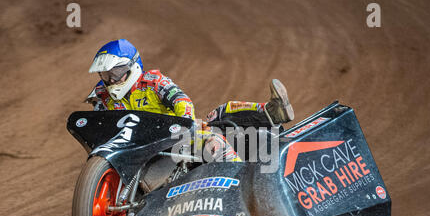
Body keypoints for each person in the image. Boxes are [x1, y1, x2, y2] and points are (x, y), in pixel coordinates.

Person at [86, 39, 294, 161]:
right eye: (105, 75)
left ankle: (270, 113)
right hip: (133, 149)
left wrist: (183, 124)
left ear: (132, 66)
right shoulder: (101, 95)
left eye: (116, 73)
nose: (111, 80)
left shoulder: (152, 81)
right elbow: (96, 126)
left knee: (215, 127)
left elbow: (182, 100)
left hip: (172, 138)